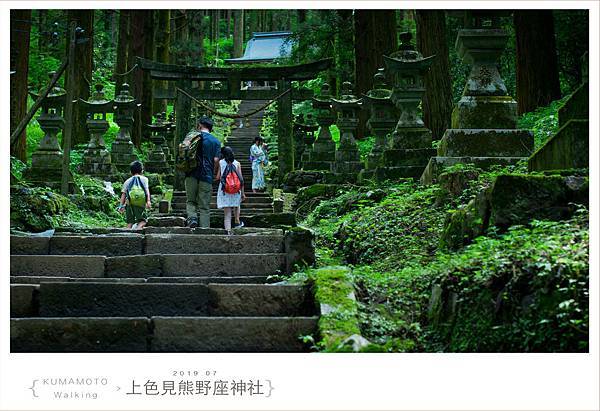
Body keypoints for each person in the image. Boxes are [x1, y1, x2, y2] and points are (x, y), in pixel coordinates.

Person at [184, 116, 221, 228]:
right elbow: (216, 160)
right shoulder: (216, 141)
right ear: (211, 128)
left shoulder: (192, 138)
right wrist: (213, 172)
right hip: (207, 175)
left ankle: (193, 218)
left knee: (191, 201)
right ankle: (205, 229)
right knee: (204, 206)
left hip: (191, 173)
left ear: (199, 125)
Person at [216, 147, 246, 234]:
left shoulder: (221, 162)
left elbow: (218, 177)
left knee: (227, 214)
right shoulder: (237, 163)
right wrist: (243, 193)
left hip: (225, 190)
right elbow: (241, 179)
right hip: (236, 189)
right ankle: (237, 221)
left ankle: (228, 232)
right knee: (236, 205)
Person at [118, 160, 151, 229]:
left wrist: (121, 206)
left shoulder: (127, 181)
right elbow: (146, 190)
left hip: (129, 203)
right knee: (143, 221)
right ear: (142, 171)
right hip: (140, 202)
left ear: (131, 172)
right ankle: (137, 231)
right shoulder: (145, 179)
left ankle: (127, 235)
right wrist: (148, 201)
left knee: (130, 222)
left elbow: (123, 194)